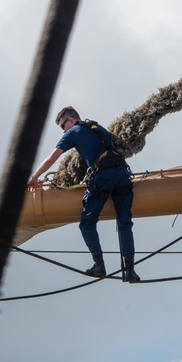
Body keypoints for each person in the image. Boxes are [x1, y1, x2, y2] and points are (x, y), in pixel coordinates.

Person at [27, 106, 140, 283]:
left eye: (63, 126)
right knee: (124, 222)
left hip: (103, 177)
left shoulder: (74, 132)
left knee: (87, 222)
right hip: (122, 174)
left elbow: (51, 158)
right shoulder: (98, 128)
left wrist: (35, 176)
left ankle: (99, 265)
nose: (64, 131)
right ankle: (130, 271)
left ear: (71, 120)